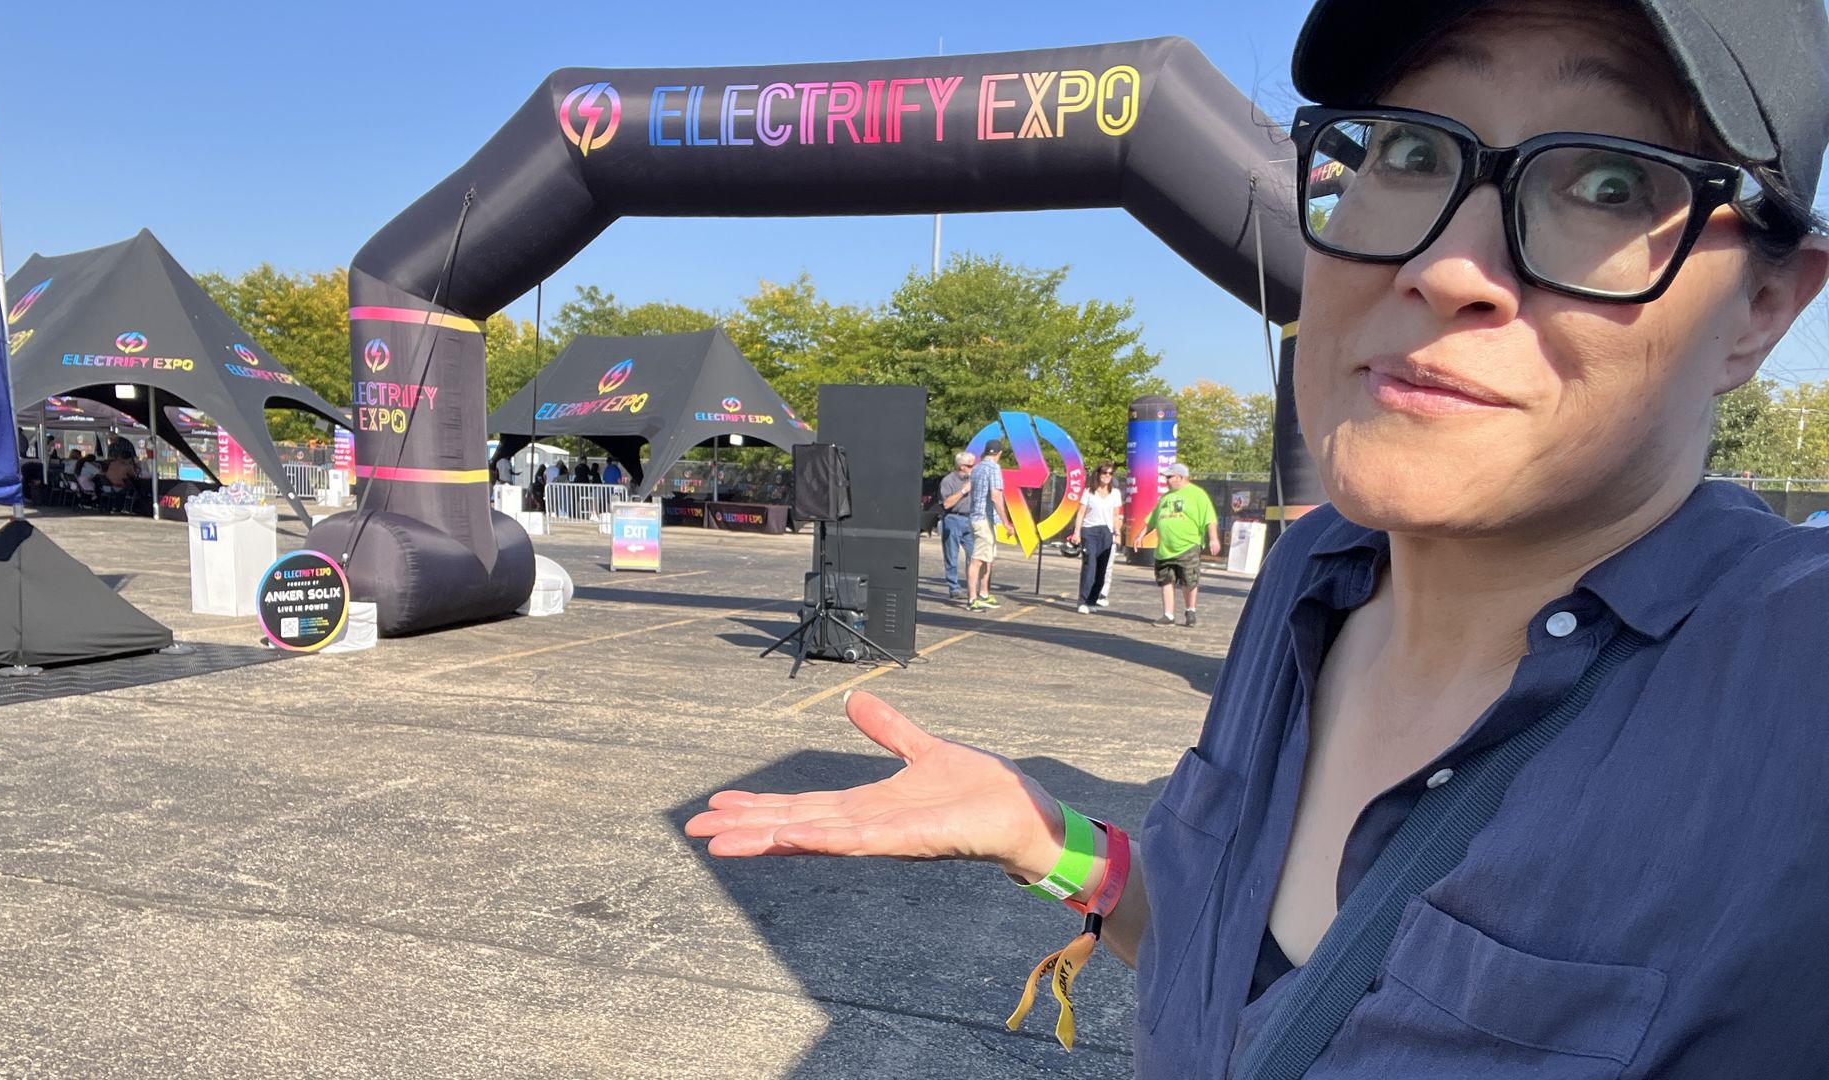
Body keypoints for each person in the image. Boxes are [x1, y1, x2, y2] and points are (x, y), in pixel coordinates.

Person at [685, 1, 1829, 1074]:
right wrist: (1044, 839)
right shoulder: (1310, 577)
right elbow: (1238, 966)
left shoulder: (1789, 684)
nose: (1442, 267)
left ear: (1766, 308)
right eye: (1413, 151)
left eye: (1609, 181)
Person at [1130, 464, 1220, 627]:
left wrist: (1214, 539)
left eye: (1170, 477)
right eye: (1166, 477)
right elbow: (1152, 520)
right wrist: (1140, 535)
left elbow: (1209, 519)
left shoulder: (1197, 494)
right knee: (1166, 580)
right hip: (1164, 548)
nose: (1167, 480)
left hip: (1188, 545)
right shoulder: (1165, 498)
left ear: (1181, 477)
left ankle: (1190, 610)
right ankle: (1168, 615)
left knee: (1189, 579)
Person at [1069, 462, 1122, 614]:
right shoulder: (1089, 492)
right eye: (1104, 473)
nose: (1107, 476)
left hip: (1106, 532)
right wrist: (1077, 532)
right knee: (1090, 565)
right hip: (1090, 531)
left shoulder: (1115, 493)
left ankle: (1092, 599)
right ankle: (1083, 600)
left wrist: (1117, 533)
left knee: (1102, 568)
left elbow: (1115, 515)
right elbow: (1081, 513)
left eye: (1110, 474)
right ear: (1098, 474)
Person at [964, 439, 1008, 611]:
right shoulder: (994, 468)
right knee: (977, 560)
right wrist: (1006, 522)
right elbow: (996, 497)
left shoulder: (977, 468)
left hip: (976, 516)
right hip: (984, 518)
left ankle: (983, 593)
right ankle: (972, 599)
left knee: (988, 558)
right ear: (999, 454)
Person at [938, 452, 977, 600]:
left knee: (973, 555)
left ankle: (972, 588)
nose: (972, 468)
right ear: (962, 466)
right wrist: (963, 491)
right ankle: (954, 588)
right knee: (952, 555)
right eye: (970, 466)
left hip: (970, 519)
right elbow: (947, 503)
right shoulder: (948, 481)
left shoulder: (973, 479)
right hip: (953, 519)